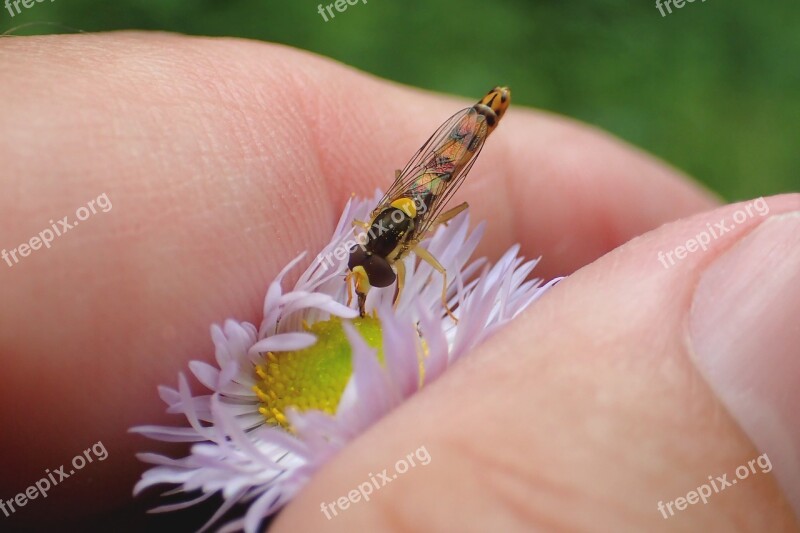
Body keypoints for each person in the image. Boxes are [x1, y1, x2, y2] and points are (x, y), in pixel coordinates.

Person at [0, 32, 797, 531]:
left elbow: (423, 204)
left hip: (439, 166)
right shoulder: (368, 249)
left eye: (370, 269)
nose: (364, 280)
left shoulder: (405, 233)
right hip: (409, 195)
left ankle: (489, 108)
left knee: (441, 194)